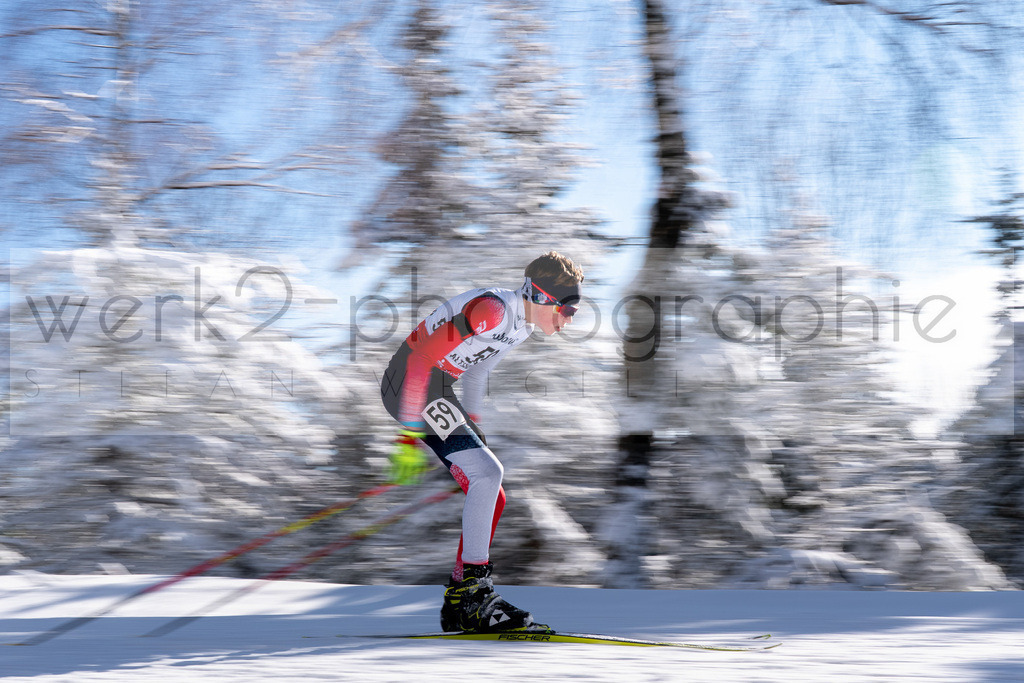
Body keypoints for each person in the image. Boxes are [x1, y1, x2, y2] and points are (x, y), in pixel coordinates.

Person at [380, 251, 583, 633]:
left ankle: (459, 599)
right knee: (487, 475)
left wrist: (474, 426)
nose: (569, 321)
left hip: (435, 386)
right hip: (409, 380)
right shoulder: (491, 309)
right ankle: (473, 595)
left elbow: (476, 371)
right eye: (567, 310)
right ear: (541, 297)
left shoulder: (520, 327)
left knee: (493, 489)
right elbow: (422, 359)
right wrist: (406, 438)